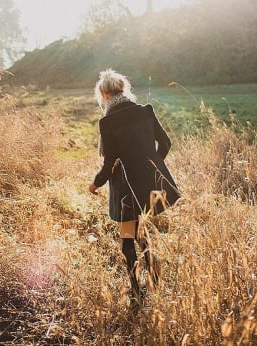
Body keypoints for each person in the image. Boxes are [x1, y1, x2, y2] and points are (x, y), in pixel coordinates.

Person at [89, 68, 181, 312]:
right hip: (148, 181)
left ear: (104, 95)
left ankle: (136, 290)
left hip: (124, 185)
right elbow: (166, 143)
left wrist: (96, 183)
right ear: (124, 89)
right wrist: (151, 166)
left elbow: (109, 163)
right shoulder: (145, 110)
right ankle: (154, 276)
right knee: (142, 230)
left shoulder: (107, 121)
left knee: (127, 236)